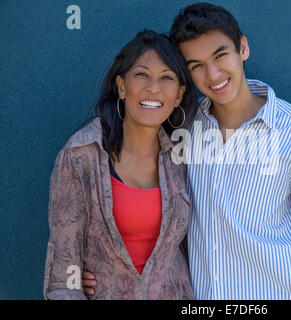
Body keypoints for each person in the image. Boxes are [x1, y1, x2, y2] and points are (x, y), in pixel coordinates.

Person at [85, 2, 291, 300]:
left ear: (243, 48)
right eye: (196, 66)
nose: (213, 74)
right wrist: (98, 266)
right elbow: (143, 207)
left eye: (220, 56)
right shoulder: (180, 130)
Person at [43, 29, 197, 299]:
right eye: (142, 75)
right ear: (122, 86)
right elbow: (63, 276)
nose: (153, 87)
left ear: (178, 95)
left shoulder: (182, 159)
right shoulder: (81, 156)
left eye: (167, 78)